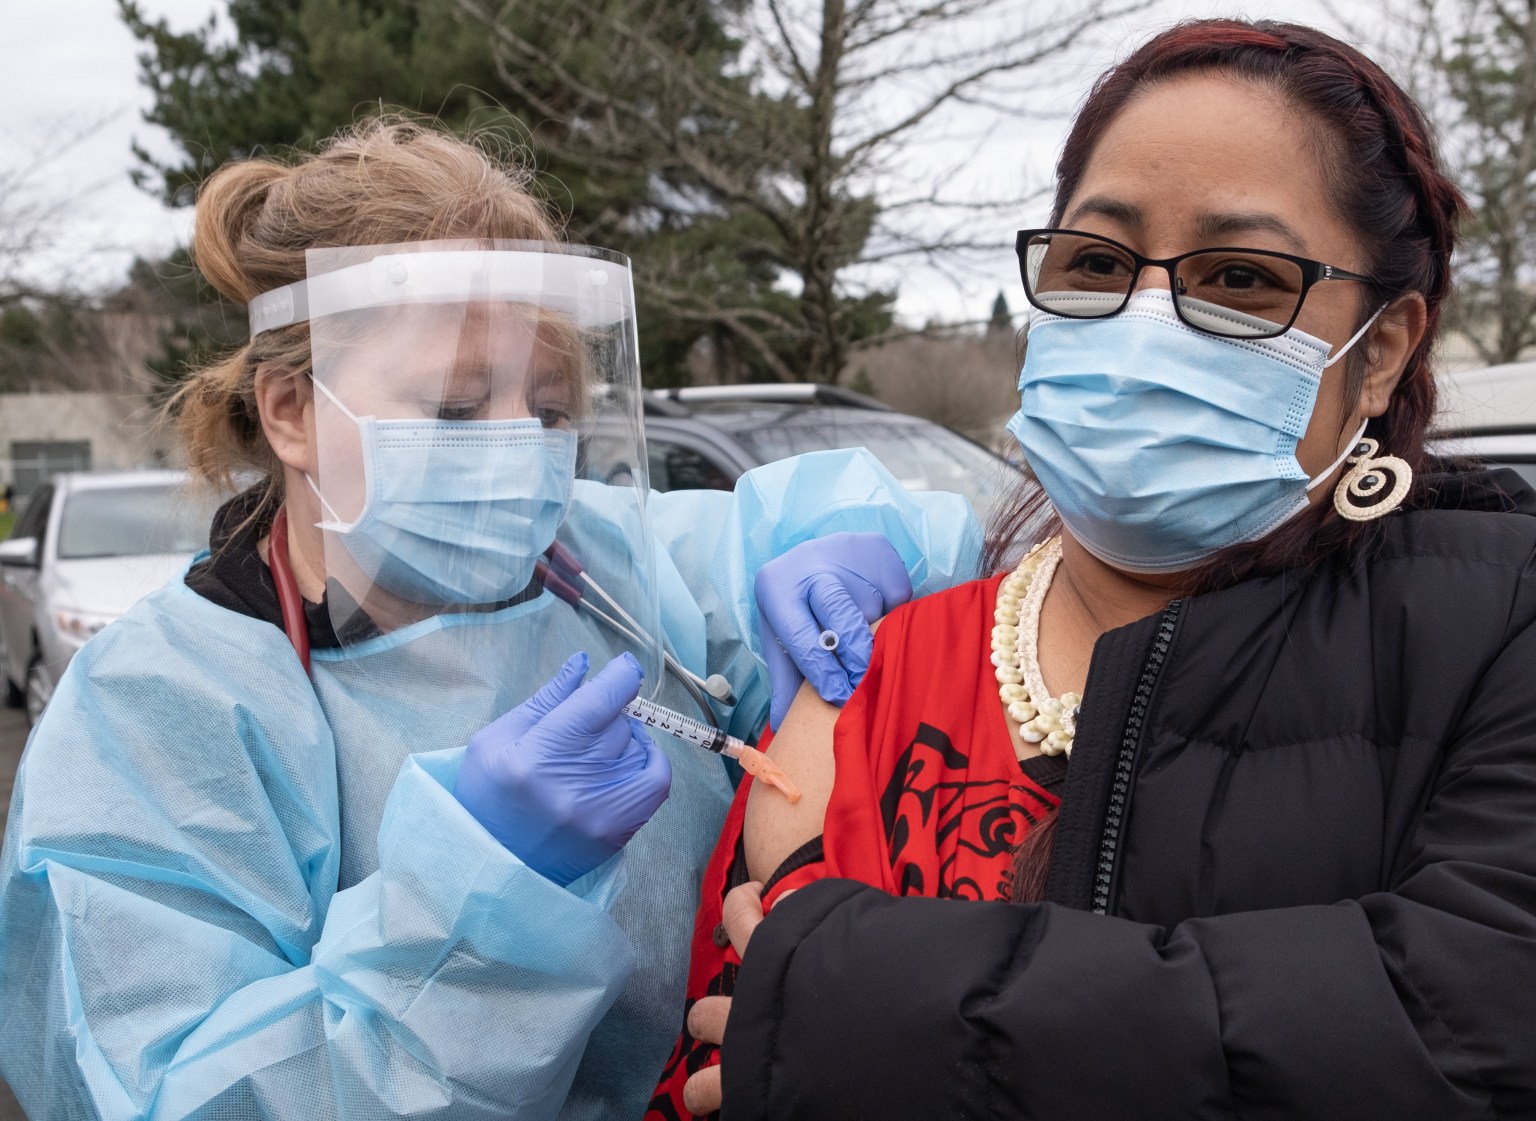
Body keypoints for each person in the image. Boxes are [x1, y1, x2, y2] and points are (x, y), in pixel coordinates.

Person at [0, 119, 980, 1121]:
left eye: (549, 408)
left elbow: (947, 555)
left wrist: (864, 546)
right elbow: (162, 1092)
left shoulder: (602, 564)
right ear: (292, 409)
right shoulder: (157, 709)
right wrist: (480, 909)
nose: (517, 447)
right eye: (457, 408)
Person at [665, 19, 1536, 1120]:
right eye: (1097, 262)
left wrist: (869, 1005)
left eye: (1238, 277)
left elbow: (1471, 1032)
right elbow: (709, 1063)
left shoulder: (1492, 632)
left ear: (1381, 351)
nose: (1146, 317)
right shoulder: (880, 675)